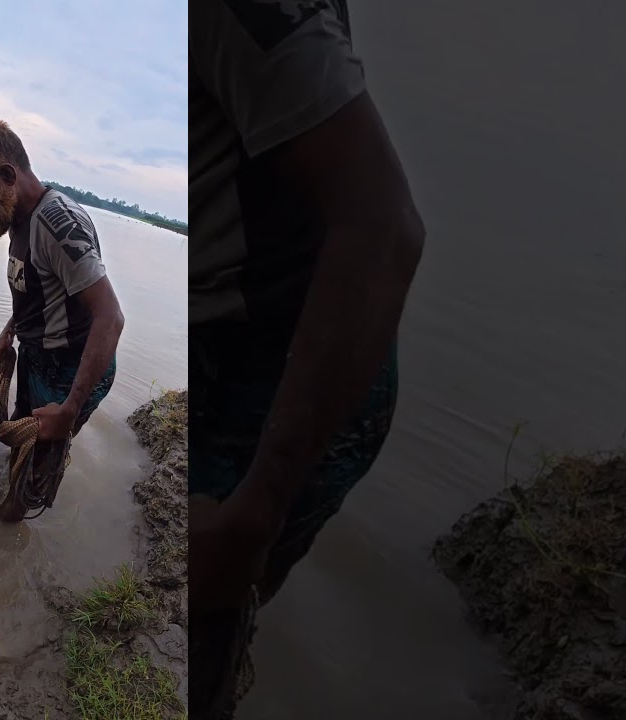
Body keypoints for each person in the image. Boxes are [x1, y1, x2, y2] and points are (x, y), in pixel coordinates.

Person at [190, 0, 425, 713]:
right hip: (229, 345)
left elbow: (385, 230)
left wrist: (256, 509)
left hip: (282, 379)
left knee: (208, 625)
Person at [0, 118, 126, 522]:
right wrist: (8, 333)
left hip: (68, 372)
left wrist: (70, 407)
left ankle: (3, 533)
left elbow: (110, 317)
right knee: (20, 446)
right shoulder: (17, 216)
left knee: (30, 477)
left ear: (7, 175)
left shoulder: (58, 225)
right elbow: (36, 289)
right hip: (37, 355)